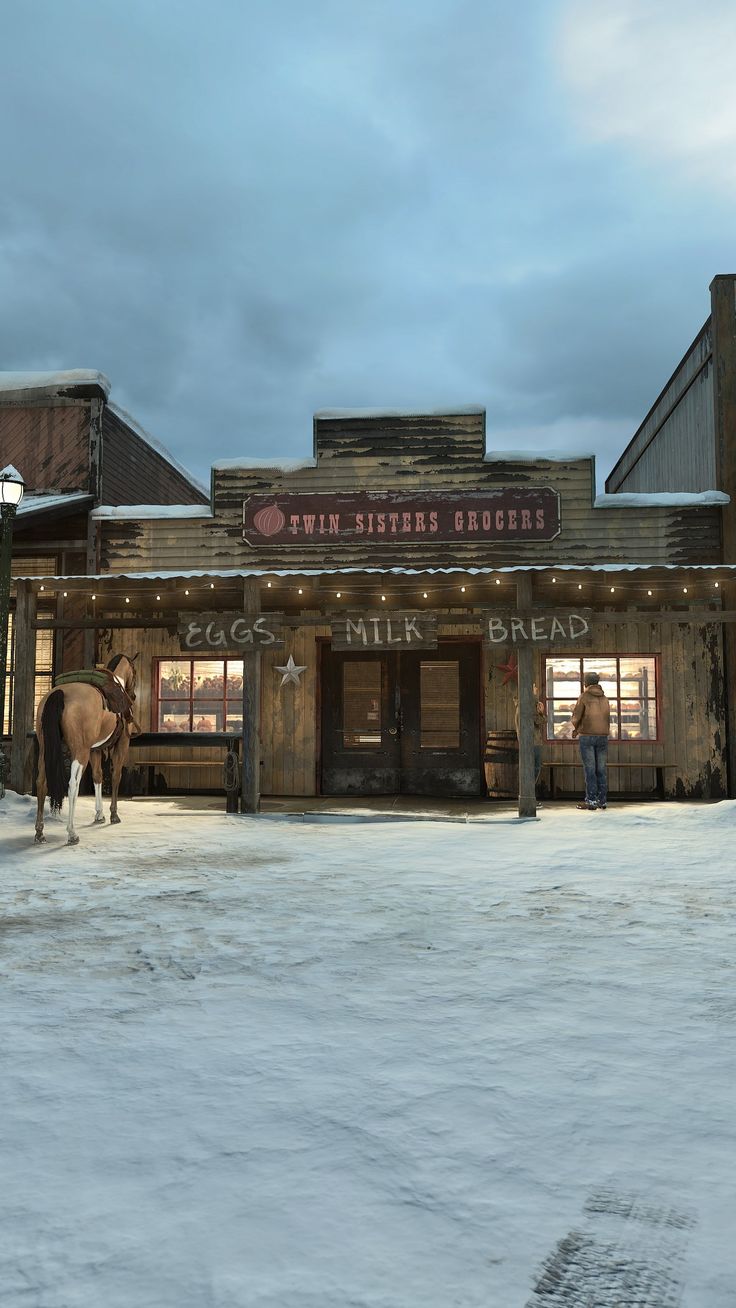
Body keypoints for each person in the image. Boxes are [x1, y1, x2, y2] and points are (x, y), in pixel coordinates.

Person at [571, 671, 610, 810]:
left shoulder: (584, 697)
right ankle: (602, 800)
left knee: (590, 769)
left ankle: (591, 800)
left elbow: (576, 716)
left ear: (586, 682)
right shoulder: (605, 698)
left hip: (587, 736)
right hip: (603, 737)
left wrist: (576, 727)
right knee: (601, 769)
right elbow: (607, 718)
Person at [514, 682, 547, 804]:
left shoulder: (521, 704)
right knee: (534, 768)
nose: (537, 689)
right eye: (534, 687)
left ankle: (528, 796)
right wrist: (541, 712)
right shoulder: (529, 704)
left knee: (529, 768)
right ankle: (529, 797)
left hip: (526, 740)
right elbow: (539, 721)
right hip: (533, 741)